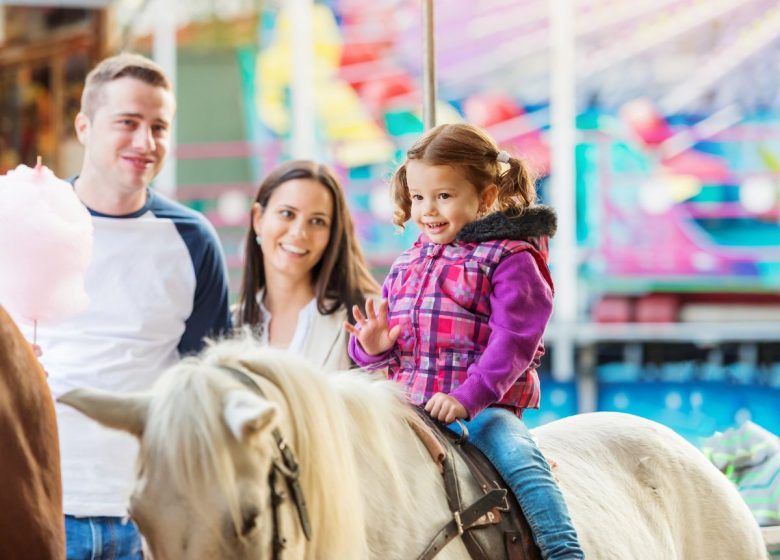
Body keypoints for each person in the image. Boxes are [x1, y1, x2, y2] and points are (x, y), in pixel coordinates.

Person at [22, 53, 231, 559]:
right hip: (39, 504)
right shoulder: (24, 222)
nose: (145, 143)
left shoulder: (193, 239)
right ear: (84, 127)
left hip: (150, 514)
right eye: (128, 123)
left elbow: (208, 382)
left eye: (159, 127)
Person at [346, 123, 584, 559]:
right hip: (407, 403)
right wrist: (372, 346)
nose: (427, 210)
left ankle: (562, 550)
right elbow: (388, 348)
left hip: (482, 410)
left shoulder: (511, 259)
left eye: (444, 196)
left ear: (487, 197)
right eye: (418, 197)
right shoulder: (409, 262)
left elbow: (514, 343)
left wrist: (466, 397)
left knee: (521, 463)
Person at [234, 159, 379, 370]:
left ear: (333, 235)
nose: (299, 232)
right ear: (258, 219)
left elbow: (381, 400)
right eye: (287, 214)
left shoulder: (366, 318)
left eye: (317, 221)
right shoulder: (229, 323)